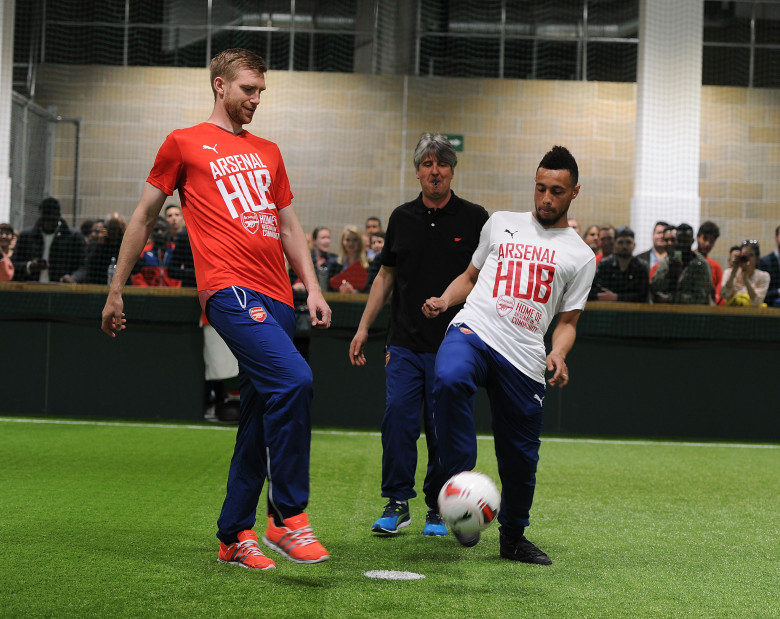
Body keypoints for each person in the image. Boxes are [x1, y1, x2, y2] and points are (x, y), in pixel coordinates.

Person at [100, 48, 332, 570]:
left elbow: (290, 226)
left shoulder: (270, 151)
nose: (255, 100)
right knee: (294, 380)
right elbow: (142, 218)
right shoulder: (182, 143)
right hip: (229, 292)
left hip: (277, 297)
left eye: (261, 92)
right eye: (248, 90)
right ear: (219, 85)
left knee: (257, 415)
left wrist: (311, 288)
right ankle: (287, 517)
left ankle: (233, 536)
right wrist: (116, 288)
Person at [422, 145, 595, 564]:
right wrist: (446, 301)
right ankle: (462, 486)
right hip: (475, 329)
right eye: (540, 188)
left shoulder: (582, 256)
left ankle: (513, 537)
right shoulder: (500, 223)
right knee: (448, 377)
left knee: (520, 457)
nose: (545, 198)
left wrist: (558, 352)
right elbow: (470, 276)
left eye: (556, 191)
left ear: (574, 193)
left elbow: (568, 322)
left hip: (524, 356)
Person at [349, 132, 489, 537]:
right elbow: (385, 276)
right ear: (417, 172)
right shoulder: (401, 218)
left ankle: (435, 506)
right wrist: (363, 328)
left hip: (455, 342)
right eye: (427, 164)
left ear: (452, 170)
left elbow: (484, 277)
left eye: (442, 163)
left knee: (442, 426)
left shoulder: (475, 218)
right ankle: (397, 502)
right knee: (398, 420)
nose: (435, 171)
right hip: (404, 342)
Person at [12, 197, 86, 283]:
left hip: (61, 290)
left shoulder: (74, 237)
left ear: (58, 216)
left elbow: (84, 266)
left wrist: (73, 278)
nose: (48, 224)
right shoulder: (26, 236)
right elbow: (13, 264)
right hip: (31, 289)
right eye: (45, 219)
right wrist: (29, 265)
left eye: (52, 219)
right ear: (41, 215)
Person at [650, 223, 712, 304]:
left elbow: (700, 297)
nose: (682, 244)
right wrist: (670, 273)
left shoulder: (700, 264)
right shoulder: (667, 261)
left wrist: (671, 298)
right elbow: (655, 287)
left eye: (685, 241)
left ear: (692, 241)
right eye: (679, 240)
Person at [588, 226, 649, 302]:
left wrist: (617, 297)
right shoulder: (604, 265)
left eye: (628, 242)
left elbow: (643, 295)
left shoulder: (642, 266)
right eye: (620, 242)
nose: (624, 246)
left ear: (634, 245)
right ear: (614, 245)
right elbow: (595, 292)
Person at [131, 217, 180, 287]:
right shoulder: (143, 252)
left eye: (163, 229)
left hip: (174, 294)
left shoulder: (176, 251)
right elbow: (137, 276)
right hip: (149, 295)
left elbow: (181, 277)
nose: (159, 232)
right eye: (156, 230)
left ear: (169, 231)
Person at [720, 240, 770, 306]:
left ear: (757, 259)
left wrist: (746, 279)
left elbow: (757, 302)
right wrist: (734, 272)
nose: (747, 259)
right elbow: (724, 295)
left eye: (751, 255)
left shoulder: (764, 276)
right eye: (744, 255)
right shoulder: (728, 272)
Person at [334, 224, 370, 293]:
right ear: (342, 242)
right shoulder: (335, 264)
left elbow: (369, 290)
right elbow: (330, 289)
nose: (351, 243)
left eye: (355, 240)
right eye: (348, 240)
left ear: (359, 242)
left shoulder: (368, 265)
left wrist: (354, 292)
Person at [696, 220, 722, 304]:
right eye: (705, 239)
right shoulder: (687, 260)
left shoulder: (716, 267)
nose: (707, 244)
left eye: (711, 241)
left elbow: (718, 296)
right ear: (697, 237)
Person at [758, 225, 780, 307]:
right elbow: (762, 293)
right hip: (770, 309)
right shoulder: (764, 262)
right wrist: (778, 292)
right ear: (776, 237)